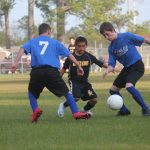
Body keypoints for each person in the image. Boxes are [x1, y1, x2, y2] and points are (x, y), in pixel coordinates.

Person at [11, 23, 91, 123]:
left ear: (39, 32)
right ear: (49, 32)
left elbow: (22, 48)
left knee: (32, 92)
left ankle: (36, 110)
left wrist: (15, 62)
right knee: (67, 93)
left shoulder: (32, 41)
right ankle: (75, 112)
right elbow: (69, 55)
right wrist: (79, 66)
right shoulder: (54, 42)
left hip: (37, 72)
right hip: (51, 72)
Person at [99, 22, 150, 116]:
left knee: (129, 86)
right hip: (127, 68)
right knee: (113, 90)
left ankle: (146, 108)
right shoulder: (111, 48)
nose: (106, 37)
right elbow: (111, 65)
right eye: (104, 35)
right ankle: (124, 111)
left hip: (137, 65)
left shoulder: (126, 36)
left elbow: (144, 40)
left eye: (107, 34)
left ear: (113, 30)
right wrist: (107, 70)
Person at [57, 36, 108, 117]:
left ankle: (85, 110)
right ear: (76, 46)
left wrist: (111, 67)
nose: (81, 48)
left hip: (85, 82)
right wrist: (57, 79)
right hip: (73, 81)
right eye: (79, 46)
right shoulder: (71, 57)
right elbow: (63, 69)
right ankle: (63, 105)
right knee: (76, 98)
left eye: (83, 46)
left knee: (94, 100)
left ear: (86, 46)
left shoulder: (88, 56)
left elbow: (100, 63)